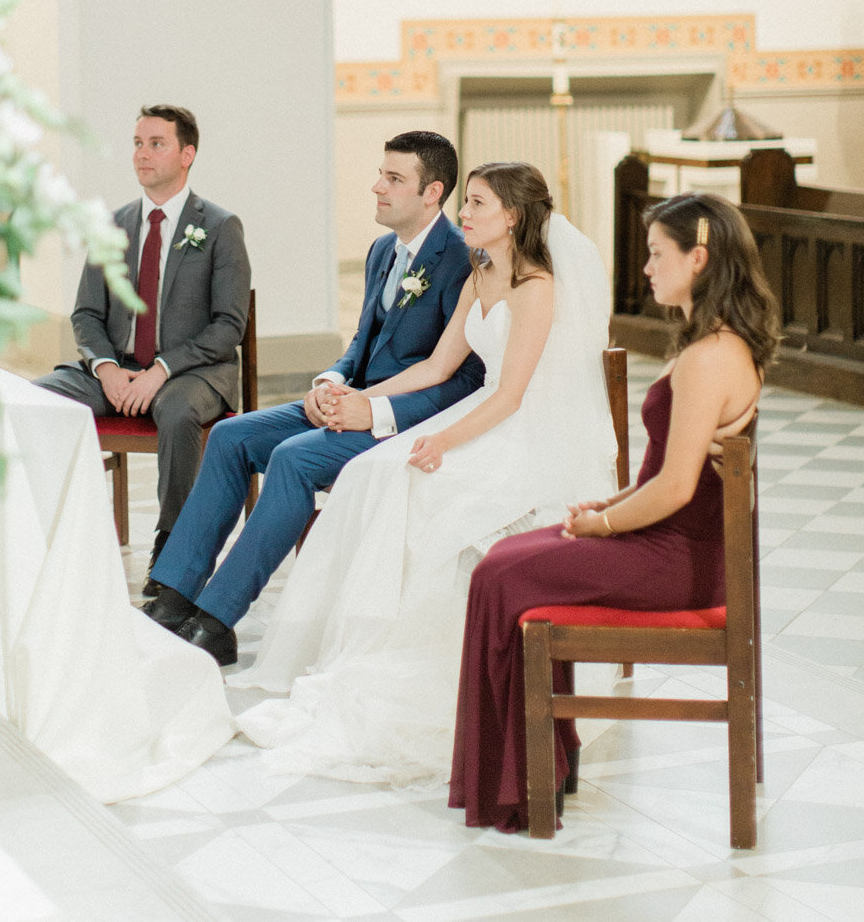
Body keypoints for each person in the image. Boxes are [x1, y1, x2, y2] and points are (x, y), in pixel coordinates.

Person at [234, 164, 617, 787]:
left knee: (419, 484)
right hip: (478, 412)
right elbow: (439, 367)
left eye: (477, 203)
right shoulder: (481, 272)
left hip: (518, 432)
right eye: (465, 201)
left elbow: (513, 395)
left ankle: (414, 651)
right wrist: (358, 396)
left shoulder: (535, 285)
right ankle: (358, 644)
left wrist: (442, 439)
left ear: (513, 217)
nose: (464, 214)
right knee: (369, 471)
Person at [450, 191, 776, 835]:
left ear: (700, 259)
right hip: (671, 543)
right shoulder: (712, 344)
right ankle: (541, 762)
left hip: (678, 563)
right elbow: (662, 477)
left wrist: (599, 524)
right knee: (506, 559)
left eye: (658, 255)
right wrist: (610, 503)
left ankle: (519, 779)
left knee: (501, 574)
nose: (647, 269)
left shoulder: (711, 358)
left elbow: (677, 489)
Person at [144, 131, 483, 666]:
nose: (376, 187)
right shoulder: (381, 251)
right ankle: (177, 593)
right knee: (233, 436)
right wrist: (328, 382)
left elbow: (464, 382)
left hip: (403, 423)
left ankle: (217, 618)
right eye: (380, 173)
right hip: (351, 402)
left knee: (294, 459)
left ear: (432, 193)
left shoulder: (463, 261)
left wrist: (373, 409)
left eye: (394, 179)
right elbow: (361, 346)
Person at [34, 105, 250, 593]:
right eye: (137, 143)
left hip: (194, 371)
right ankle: (59, 533)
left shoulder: (219, 227)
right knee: (38, 398)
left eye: (157, 143)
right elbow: (87, 314)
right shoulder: (112, 224)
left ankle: (175, 545)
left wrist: (162, 369)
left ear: (187, 154)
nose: (143, 153)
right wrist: (107, 367)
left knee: (175, 412)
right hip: (116, 370)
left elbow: (229, 325)